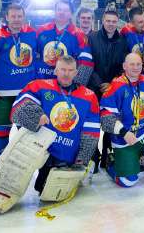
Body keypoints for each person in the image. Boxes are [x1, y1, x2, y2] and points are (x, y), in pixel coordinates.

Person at [11, 55, 99, 196]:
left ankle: (86, 167)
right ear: (55, 71)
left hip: (68, 154)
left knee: (52, 192)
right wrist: (36, 116)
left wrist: (82, 158)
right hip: (43, 150)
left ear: (76, 73)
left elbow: (91, 132)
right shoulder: (40, 85)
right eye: (62, 69)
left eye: (70, 70)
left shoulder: (89, 96)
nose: (66, 73)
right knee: (37, 186)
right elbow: (16, 110)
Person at [100, 53, 144, 186]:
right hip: (126, 138)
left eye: (138, 64)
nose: (136, 67)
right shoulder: (116, 86)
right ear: (124, 66)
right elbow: (105, 116)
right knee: (128, 181)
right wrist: (124, 132)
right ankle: (112, 163)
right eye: (132, 64)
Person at [0, 4, 37, 162]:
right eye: (13, 16)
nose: (16, 19)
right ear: (7, 17)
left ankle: (24, 165)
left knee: (26, 132)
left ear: (24, 17)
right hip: (2, 94)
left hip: (26, 94)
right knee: (1, 129)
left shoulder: (32, 34)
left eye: (19, 16)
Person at [88, 10, 129, 169]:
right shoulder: (92, 38)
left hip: (114, 89)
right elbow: (88, 65)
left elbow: (122, 66)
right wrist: (100, 84)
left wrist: (112, 83)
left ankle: (106, 153)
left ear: (117, 22)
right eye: (108, 21)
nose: (111, 24)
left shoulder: (123, 41)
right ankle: (93, 157)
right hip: (94, 88)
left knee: (110, 122)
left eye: (114, 21)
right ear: (102, 21)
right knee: (92, 123)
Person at [36, 0, 93, 85]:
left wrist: (78, 83)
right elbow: (33, 54)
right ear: (55, 11)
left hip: (66, 83)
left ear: (71, 14)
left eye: (66, 10)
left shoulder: (79, 34)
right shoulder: (41, 30)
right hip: (43, 80)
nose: (61, 13)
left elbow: (86, 60)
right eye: (59, 9)